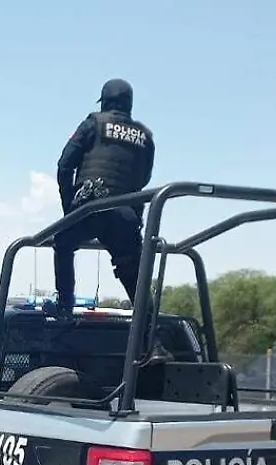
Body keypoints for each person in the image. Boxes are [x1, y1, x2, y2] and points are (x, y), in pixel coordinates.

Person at [54, 78, 155, 317]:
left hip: (90, 208)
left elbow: (64, 165)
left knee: (63, 242)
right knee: (129, 266)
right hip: (125, 215)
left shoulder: (93, 124)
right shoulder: (145, 137)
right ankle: (150, 328)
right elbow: (144, 178)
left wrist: (69, 211)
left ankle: (65, 306)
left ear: (105, 101)